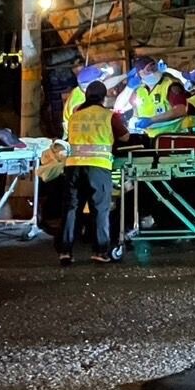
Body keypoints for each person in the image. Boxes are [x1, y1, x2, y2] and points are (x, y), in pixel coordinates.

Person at [60, 79, 129, 266]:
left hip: (73, 166)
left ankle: (65, 251)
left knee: (71, 209)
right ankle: (100, 251)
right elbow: (125, 136)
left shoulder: (75, 115)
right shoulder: (108, 116)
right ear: (104, 97)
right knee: (100, 209)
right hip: (98, 167)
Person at [126, 56, 189, 137]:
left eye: (154, 67)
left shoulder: (171, 86)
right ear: (139, 74)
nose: (152, 72)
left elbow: (181, 110)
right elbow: (135, 111)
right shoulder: (139, 91)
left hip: (172, 136)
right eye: (148, 70)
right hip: (150, 137)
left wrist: (152, 120)